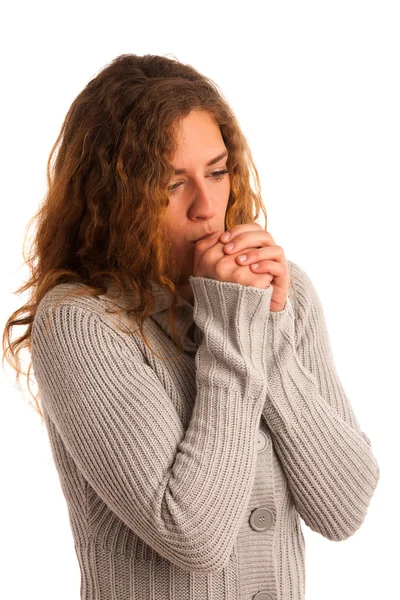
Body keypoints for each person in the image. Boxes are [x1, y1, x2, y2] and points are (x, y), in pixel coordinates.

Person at [2, 53, 380, 600]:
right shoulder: (81, 322)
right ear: (112, 198)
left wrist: (262, 328)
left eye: (218, 171)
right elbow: (193, 534)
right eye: (170, 183)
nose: (207, 206)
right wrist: (235, 327)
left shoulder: (279, 292)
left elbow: (344, 508)